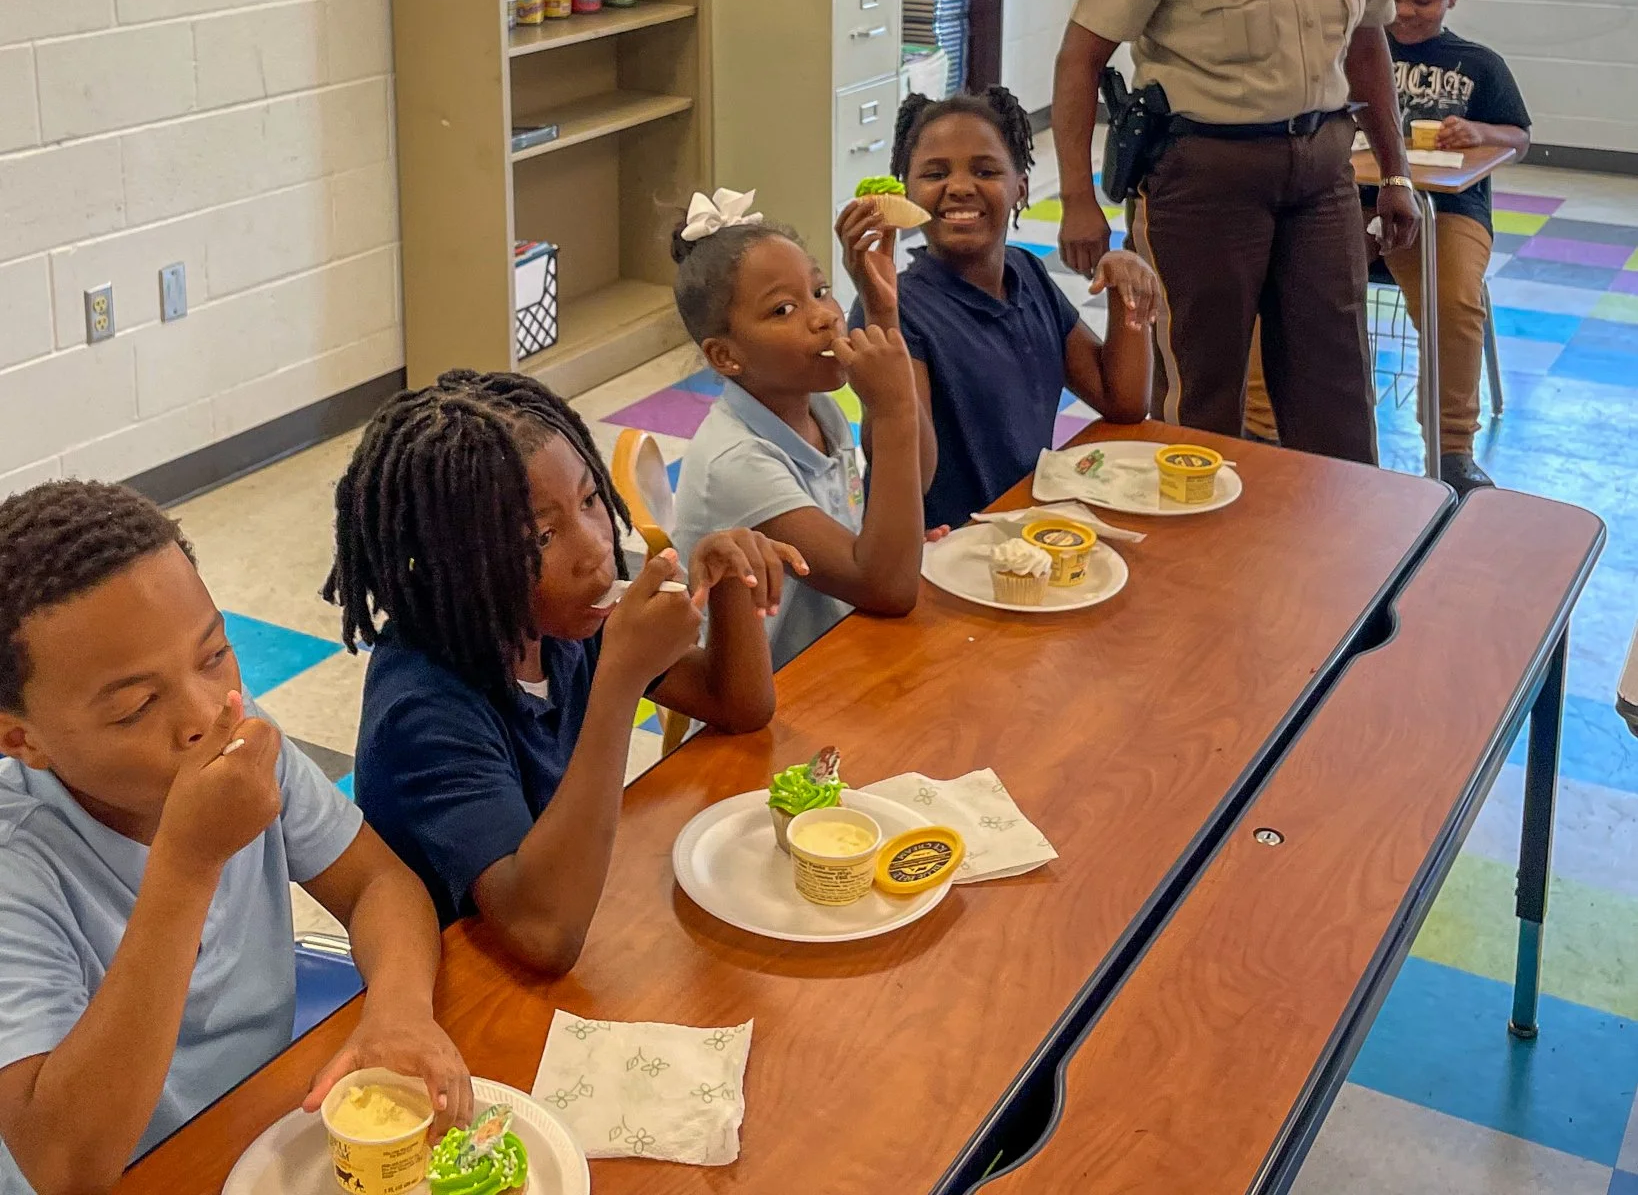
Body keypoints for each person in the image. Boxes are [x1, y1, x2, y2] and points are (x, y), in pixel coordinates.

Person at [0, 481, 469, 1195]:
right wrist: (188, 864)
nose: (201, 716)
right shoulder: (17, 867)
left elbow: (379, 884)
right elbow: (66, 1165)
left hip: (252, 1121)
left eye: (214, 653)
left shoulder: (241, 734)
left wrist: (399, 1010)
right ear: (20, 739)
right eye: (135, 706)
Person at [331, 371, 794, 972]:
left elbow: (737, 705)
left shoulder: (561, 623)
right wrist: (622, 684)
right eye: (543, 535)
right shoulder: (424, 712)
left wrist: (730, 584)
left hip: (582, 923)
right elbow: (543, 931)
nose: (596, 547)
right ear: (458, 566)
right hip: (470, 993)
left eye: (590, 501)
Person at [1052, 0, 1417, 464]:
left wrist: (1397, 174)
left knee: (1336, 382)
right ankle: (1198, 564)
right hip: (1202, 182)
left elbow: (1367, 50)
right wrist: (1080, 200)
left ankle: (1343, 559)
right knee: (1201, 388)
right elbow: (1079, 60)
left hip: (1321, 176)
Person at [839, 87, 1158, 532]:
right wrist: (883, 314)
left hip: (1024, 531)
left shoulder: (1027, 273)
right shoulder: (894, 307)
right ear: (906, 196)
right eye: (934, 174)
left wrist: (1127, 285)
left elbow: (1121, 400)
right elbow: (914, 477)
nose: (960, 188)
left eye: (986, 170)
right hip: (945, 554)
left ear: (1020, 189)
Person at [669, 191, 926, 666]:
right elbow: (886, 586)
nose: (826, 316)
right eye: (783, 310)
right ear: (725, 356)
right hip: (777, 694)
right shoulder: (737, 461)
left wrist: (882, 310)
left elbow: (920, 477)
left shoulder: (820, 412)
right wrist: (893, 413)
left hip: (843, 644)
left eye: (820, 290)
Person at [1372, 0, 1531, 492]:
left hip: (1448, 208)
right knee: (1282, 275)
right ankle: (1270, 428)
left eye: (1425, 1)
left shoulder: (1479, 64)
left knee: (1454, 302)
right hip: (1353, 201)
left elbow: (1520, 137)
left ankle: (1452, 449)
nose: (1407, 12)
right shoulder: (1350, 52)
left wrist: (1479, 132)